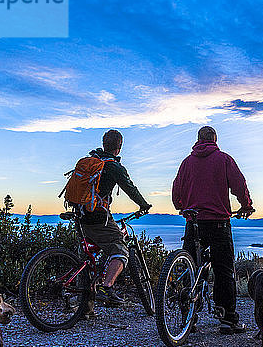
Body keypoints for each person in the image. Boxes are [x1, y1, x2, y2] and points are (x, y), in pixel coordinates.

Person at [172, 126, 254, 334]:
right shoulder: (224, 159)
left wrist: (182, 206)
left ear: (198, 140)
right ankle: (227, 319)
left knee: (190, 269)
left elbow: (176, 191)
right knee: (224, 270)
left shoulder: (186, 163)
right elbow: (239, 185)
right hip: (218, 222)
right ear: (215, 140)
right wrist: (246, 205)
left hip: (194, 222)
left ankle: (189, 317)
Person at [80, 129, 152, 305]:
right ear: (119, 148)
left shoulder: (90, 161)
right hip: (97, 217)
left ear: (104, 144)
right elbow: (130, 188)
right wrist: (143, 205)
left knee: (87, 258)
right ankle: (107, 287)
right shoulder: (112, 166)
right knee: (120, 247)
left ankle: (85, 308)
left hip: (80, 215)